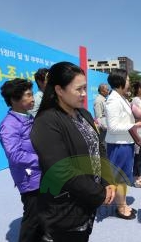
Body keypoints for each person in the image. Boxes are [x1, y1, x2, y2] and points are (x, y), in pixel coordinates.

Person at [30, 62, 116, 242]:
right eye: (79, 89)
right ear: (59, 90)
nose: (84, 94)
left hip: (88, 201)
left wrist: (107, 180)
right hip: (66, 209)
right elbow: (61, 170)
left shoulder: (83, 114)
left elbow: (99, 147)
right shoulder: (46, 122)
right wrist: (99, 194)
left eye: (85, 88)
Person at [0, 78, 43, 242]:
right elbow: (15, 155)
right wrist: (43, 159)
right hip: (29, 177)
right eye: (28, 95)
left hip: (40, 174)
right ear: (14, 100)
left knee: (42, 214)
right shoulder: (9, 125)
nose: (33, 98)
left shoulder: (28, 117)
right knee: (33, 217)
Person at [105, 71, 141, 219]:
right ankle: (121, 208)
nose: (129, 83)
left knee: (122, 177)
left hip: (124, 143)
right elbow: (113, 127)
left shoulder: (120, 98)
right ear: (120, 82)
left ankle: (121, 204)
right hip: (119, 145)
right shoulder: (113, 100)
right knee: (119, 178)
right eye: (128, 80)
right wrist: (134, 125)